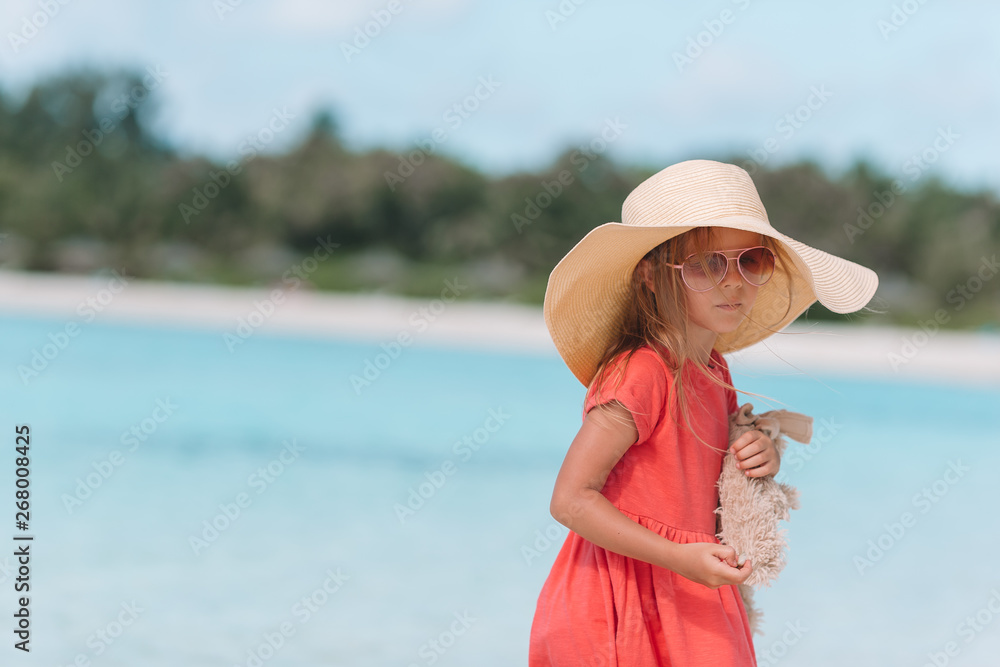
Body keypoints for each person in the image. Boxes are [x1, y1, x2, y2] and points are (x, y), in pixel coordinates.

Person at [528, 159, 879, 666]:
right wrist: (676, 556)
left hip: (695, 585)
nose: (733, 282)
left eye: (752, 261)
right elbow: (570, 500)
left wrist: (761, 456)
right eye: (707, 264)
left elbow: (715, 479)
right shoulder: (642, 373)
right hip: (620, 596)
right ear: (650, 276)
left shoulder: (714, 369)